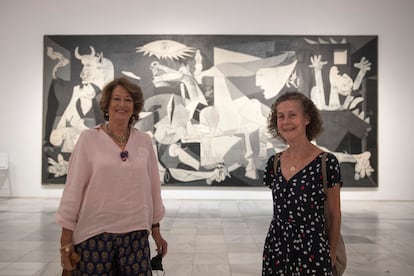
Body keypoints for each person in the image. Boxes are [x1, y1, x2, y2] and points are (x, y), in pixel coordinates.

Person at [55, 77, 168, 275]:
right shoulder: (88, 139)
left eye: (128, 100)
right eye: (116, 99)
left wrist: (156, 230)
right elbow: (73, 190)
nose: (122, 105)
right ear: (107, 104)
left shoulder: (144, 142)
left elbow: (152, 189)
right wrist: (66, 241)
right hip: (95, 235)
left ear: (135, 107)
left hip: (136, 235)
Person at [262, 91, 342, 275]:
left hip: (313, 249)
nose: (285, 121)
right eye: (280, 116)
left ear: (307, 118)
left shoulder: (326, 162)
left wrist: (331, 251)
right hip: (277, 248)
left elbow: (334, 213)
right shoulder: (274, 163)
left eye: (292, 115)